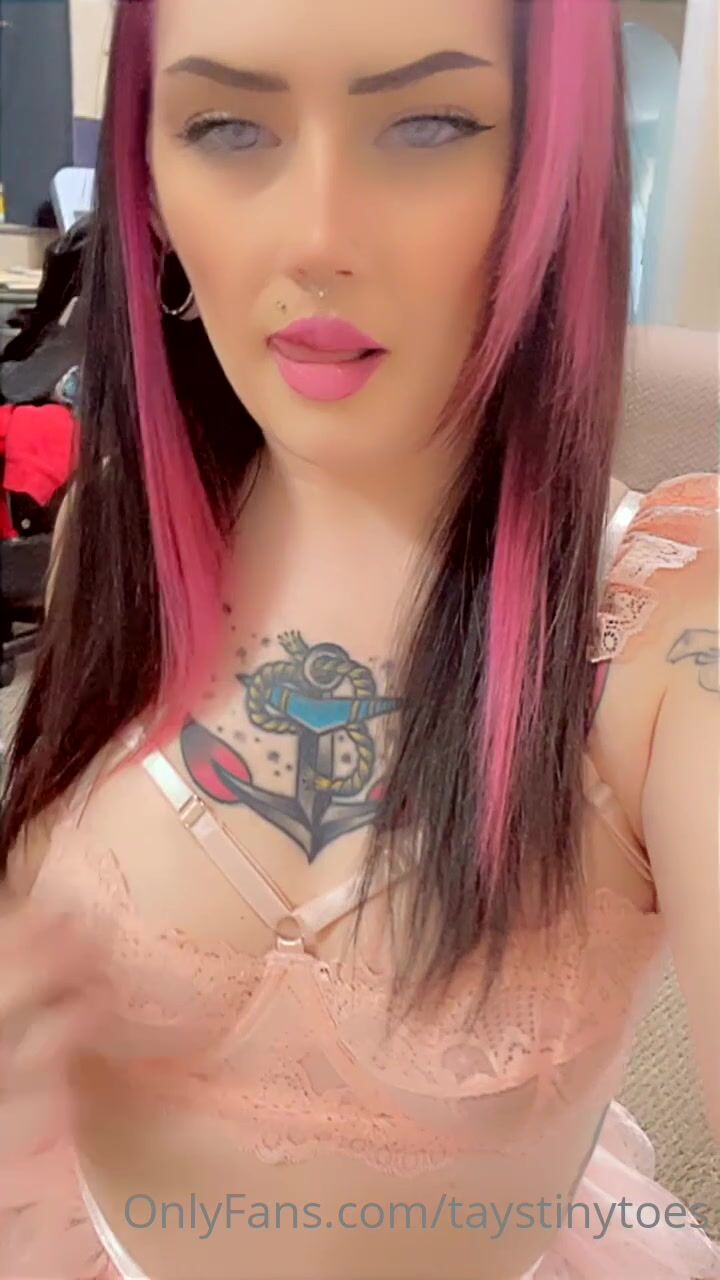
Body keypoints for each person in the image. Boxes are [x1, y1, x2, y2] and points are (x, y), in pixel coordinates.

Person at [0, 1, 718, 1277]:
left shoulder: (668, 627)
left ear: (555, 166)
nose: (316, 236)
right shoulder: (114, 525)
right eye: (228, 127)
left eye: (429, 122)